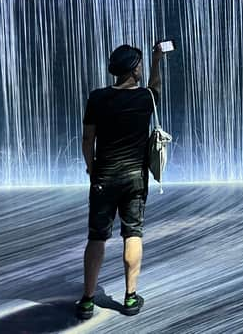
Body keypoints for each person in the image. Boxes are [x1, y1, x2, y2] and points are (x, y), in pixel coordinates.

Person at [75, 43, 165, 319]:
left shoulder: (97, 98)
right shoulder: (145, 99)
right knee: (133, 234)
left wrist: (92, 169)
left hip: (104, 177)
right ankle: (129, 298)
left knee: (97, 237)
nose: (140, 69)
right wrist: (157, 60)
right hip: (134, 179)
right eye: (138, 64)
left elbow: (88, 139)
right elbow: (156, 87)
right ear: (134, 68)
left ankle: (88, 300)